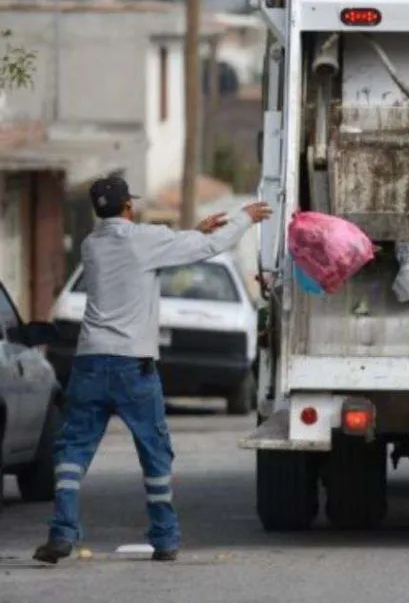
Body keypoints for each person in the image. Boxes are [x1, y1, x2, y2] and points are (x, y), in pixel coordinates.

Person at [33, 176, 273, 565]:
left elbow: (163, 248)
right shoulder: (145, 239)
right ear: (128, 206)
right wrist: (242, 218)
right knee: (154, 451)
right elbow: (208, 246)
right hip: (133, 367)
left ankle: (61, 532)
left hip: (90, 363)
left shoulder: (91, 246)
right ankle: (164, 538)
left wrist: (192, 231)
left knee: (73, 450)